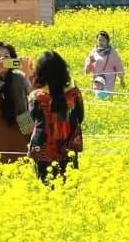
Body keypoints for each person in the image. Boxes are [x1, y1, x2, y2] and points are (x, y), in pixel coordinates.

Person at [27, 50, 85, 183]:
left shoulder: (37, 97)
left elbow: (26, 126)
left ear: (39, 73)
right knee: (69, 188)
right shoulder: (74, 94)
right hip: (68, 147)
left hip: (42, 150)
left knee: (45, 189)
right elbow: (80, 118)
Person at [83, 30, 126, 99]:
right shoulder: (94, 51)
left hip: (109, 80)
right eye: (99, 40)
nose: (101, 42)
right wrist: (90, 62)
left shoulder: (112, 52)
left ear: (107, 41)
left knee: (106, 97)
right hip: (97, 79)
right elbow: (88, 64)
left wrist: (121, 79)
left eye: (103, 40)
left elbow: (118, 65)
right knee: (98, 97)